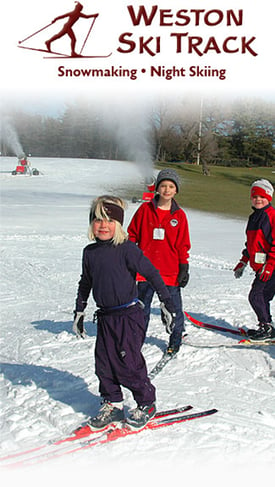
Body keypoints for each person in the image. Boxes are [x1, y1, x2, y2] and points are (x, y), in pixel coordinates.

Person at [73, 195, 176, 430]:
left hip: (128, 316)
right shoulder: (90, 253)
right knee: (104, 363)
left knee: (128, 362)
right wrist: (79, 310)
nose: (103, 225)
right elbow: (85, 282)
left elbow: (152, 274)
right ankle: (113, 404)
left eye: (109, 220)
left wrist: (166, 302)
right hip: (106, 317)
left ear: (118, 225)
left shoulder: (127, 249)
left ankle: (146, 402)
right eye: (98, 220)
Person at [128, 168, 191, 355]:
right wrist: (130, 258)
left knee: (174, 310)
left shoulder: (179, 216)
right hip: (144, 271)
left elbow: (183, 245)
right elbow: (132, 235)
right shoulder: (144, 210)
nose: (167, 190)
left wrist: (184, 267)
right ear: (157, 188)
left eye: (171, 186)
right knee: (141, 310)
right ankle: (136, 340)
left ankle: (175, 339)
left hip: (169, 272)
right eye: (163, 186)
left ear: (176, 190)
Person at [233, 179, 275, 341]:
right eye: (255, 196)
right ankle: (267, 327)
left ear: (269, 197)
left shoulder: (271, 216)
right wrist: (243, 262)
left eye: (262, 196)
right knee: (263, 297)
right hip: (261, 266)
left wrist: (270, 265)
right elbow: (251, 244)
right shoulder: (254, 217)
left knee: (256, 296)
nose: (258, 199)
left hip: (271, 266)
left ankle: (266, 327)